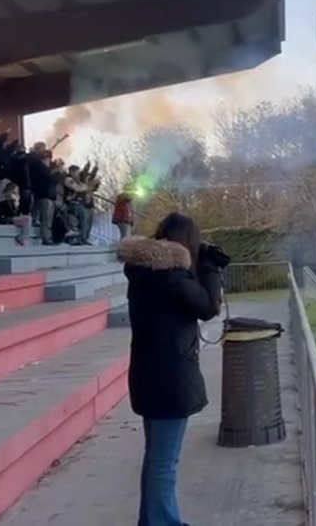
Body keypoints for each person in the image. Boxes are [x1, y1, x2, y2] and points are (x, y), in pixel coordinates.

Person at [117, 212, 222, 526]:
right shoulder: (174, 277)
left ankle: (151, 521)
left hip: (147, 376)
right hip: (171, 379)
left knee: (156, 460)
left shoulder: (141, 272)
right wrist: (210, 267)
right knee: (165, 463)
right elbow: (209, 308)